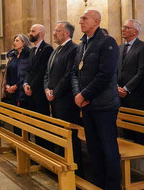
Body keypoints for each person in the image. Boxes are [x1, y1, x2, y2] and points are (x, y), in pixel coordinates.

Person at [71, 10, 121, 189]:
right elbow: (76, 73)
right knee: (93, 147)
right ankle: (98, 182)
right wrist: (79, 94)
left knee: (108, 147)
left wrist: (84, 95)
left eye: (84, 18)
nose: (80, 21)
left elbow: (105, 74)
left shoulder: (107, 42)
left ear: (96, 21)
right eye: (81, 18)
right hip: (88, 104)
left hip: (104, 104)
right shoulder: (82, 44)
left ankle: (113, 185)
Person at [43, 21, 82, 176]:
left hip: (66, 101)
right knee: (59, 134)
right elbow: (47, 73)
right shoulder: (55, 50)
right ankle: (61, 166)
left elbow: (69, 74)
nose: (53, 33)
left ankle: (76, 170)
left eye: (57, 30)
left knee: (69, 137)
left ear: (67, 33)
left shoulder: (73, 49)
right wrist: (47, 89)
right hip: (54, 98)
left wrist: (55, 92)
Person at [117, 19, 144, 144]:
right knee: (125, 128)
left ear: (135, 31)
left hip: (136, 94)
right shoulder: (120, 48)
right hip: (120, 94)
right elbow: (116, 70)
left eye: (126, 27)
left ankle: (142, 158)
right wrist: (117, 87)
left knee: (138, 127)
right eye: (123, 27)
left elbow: (142, 71)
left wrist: (126, 88)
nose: (123, 29)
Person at [23, 24, 53, 149]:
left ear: (40, 34)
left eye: (33, 31)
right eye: (30, 31)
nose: (30, 33)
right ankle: (37, 149)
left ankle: (45, 150)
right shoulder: (31, 50)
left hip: (40, 92)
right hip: (30, 92)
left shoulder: (47, 49)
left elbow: (42, 72)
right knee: (34, 123)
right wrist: (25, 84)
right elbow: (28, 71)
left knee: (42, 123)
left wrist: (32, 87)